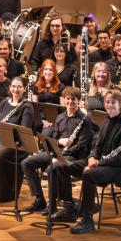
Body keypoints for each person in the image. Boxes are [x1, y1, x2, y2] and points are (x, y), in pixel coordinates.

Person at [69, 88, 121, 234]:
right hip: (101, 162)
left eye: (113, 102)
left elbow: (120, 157)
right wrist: (92, 157)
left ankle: (87, 220)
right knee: (64, 166)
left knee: (88, 175)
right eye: (107, 102)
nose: (109, 105)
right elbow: (97, 146)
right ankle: (69, 206)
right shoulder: (106, 121)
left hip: (119, 168)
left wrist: (97, 164)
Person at [22, 86, 95, 215]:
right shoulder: (60, 117)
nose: (70, 102)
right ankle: (39, 199)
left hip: (74, 155)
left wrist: (60, 155)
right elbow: (53, 139)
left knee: (52, 168)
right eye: (68, 99)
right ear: (64, 100)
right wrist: (60, 142)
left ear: (78, 101)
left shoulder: (85, 119)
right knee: (26, 163)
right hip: (57, 151)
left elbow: (81, 146)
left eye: (73, 99)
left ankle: (52, 205)